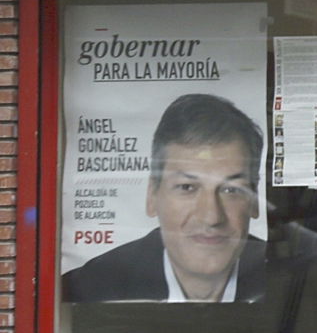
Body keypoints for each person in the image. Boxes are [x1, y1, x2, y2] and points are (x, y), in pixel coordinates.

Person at [62, 93, 265, 303]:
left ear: (255, 199)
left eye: (231, 190)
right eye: (187, 187)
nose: (211, 217)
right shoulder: (84, 290)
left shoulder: (290, 281)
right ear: (152, 195)